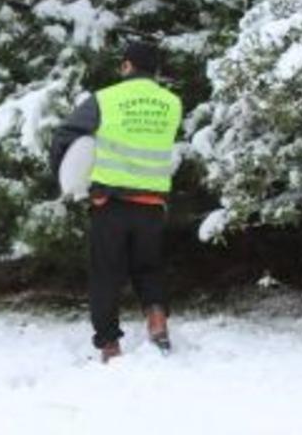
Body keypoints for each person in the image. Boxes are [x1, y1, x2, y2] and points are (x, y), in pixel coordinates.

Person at [50, 42, 183, 363]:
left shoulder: (105, 99)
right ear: (155, 71)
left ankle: (109, 344)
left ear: (126, 66)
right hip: (152, 204)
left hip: (110, 203)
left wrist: (66, 176)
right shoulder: (172, 103)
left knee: (106, 275)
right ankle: (157, 320)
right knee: (149, 268)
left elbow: (65, 134)